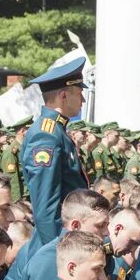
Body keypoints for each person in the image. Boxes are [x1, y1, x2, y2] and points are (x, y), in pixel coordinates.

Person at [20, 58, 90, 245]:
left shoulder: (56, 131)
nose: (82, 100)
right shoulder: (46, 135)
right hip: (57, 239)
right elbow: (46, 205)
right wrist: (55, 249)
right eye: (79, 93)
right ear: (64, 95)